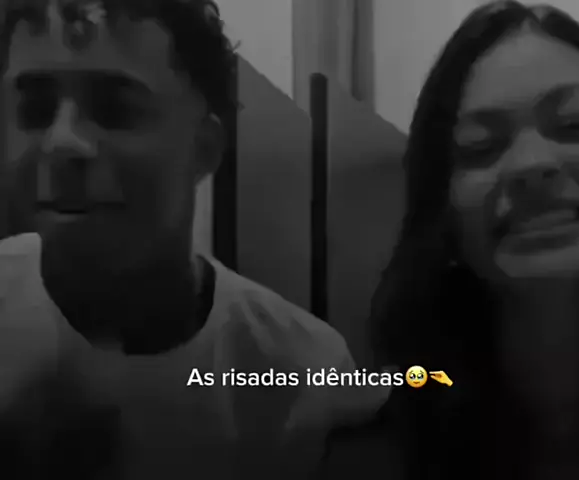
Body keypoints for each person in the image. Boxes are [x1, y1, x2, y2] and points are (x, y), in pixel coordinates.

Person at [0, 1, 389, 478]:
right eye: (35, 110)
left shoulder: (305, 376)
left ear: (204, 148)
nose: (61, 142)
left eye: (115, 109)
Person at [321, 1, 579, 479]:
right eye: (480, 147)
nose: (533, 164)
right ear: (441, 210)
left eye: (575, 123)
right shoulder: (372, 460)